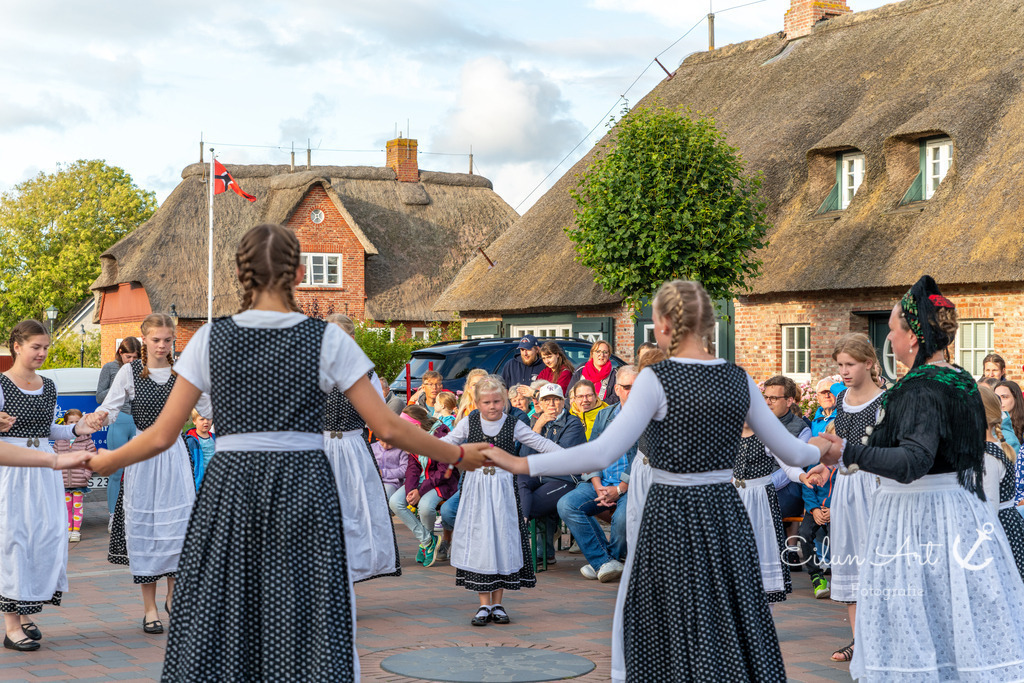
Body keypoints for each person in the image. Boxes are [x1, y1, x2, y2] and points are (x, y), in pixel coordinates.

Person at [88, 223, 489, 681]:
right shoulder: (327, 339)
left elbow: (161, 434)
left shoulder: (209, 339)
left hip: (233, 485)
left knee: (230, 609)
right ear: (299, 271)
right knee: (303, 605)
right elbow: (388, 426)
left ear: (240, 274)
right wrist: (458, 454)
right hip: (302, 482)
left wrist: (104, 460)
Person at [485, 280, 832, 682]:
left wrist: (523, 465)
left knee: (666, 619)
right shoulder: (737, 380)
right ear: (707, 322)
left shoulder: (657, 379)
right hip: (723, 510)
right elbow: (792, 452)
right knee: (725, 616)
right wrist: (822, 447)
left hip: (672, 512)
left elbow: (601, 452)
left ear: (665, 325)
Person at [815, 275, 1024, 681]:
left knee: (914, 613)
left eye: (892, 331)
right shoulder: (962, 378)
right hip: (958, 509)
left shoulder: (920, 387)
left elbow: (914, 461)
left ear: (913, 337)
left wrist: (847, 452)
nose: (889, 340)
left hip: (918, 513)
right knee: (950, 612)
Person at [94, 313, 207, 636]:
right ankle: (149, 609)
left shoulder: (183, 371)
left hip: (173, 455)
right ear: (144, 339)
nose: (161, 345)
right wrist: (92, 422)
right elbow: (110, 408)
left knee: (177, 527)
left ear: (174, 340)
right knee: (145, 529)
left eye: (167, 340)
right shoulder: (129, 372)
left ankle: (174, 595)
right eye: (156, 339)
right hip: (143, 456)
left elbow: (209, 406)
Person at [0, 320, 103, 652]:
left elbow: (50, 432)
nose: (42, 353)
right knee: (14, 537)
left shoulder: (48, 385)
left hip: (44, 469)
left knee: (44, 536)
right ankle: (11, 625)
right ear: (17, 345)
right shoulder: (2, 384)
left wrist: (80, 428)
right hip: (12, 467)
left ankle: (27, 611)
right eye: (36, 347)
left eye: (46, 347)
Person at [442, 375, 561, 627]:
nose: (493, 406)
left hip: (504, 488)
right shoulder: (469, 422)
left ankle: (498, 603)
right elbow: (448, 442)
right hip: (476, 489)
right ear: (477, 402)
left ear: (504, 400)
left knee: (502, 538)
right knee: (481, 539)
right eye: (487, 402)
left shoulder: (513, 424)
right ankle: (483, 604)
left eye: (497, 401)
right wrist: (418, 444)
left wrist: (574, 456)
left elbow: (539, 442)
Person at [820, 332, 884, 663]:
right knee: (848, 559)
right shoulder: (842, 400)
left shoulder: (886, 400)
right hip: (845, 486)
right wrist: (822, 468)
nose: (844, 371)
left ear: (869, 363)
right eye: (840, 365)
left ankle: (881, 639)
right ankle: (859, 641)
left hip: (875, 485)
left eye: (850, 364)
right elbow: (836, 448)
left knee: (876, 560)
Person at [321, 313, 399, 584]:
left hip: (353, 446)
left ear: (351, 339)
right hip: (319, 447)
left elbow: (378, 416)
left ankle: (349, 584)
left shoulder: (365, 373)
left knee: (354, 515)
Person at [558, 368, 639, 583]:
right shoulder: (605, 415)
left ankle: (605, 561)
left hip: (631, 485)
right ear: (617, 389)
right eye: (627, 387)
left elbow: (643, 458)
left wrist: (621, 488)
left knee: (621, 519)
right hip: (601, 481)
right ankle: (605, 561)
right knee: (567, 505)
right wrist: (596, 484)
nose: (633, 391)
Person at [517, 382, 586, 561]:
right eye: (546, 400)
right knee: (520, 479)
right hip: (538, 475)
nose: (551, 405)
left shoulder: (573, 423)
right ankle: (524, 533)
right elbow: (525, 456)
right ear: (540, 403)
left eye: (555, 400)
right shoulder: (536, 420)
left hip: (563, 478)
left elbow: (560, 459)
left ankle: (529, 544)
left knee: (530, 503)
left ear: (563, 402)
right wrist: (538, 426)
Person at [388, 405, 456, 568]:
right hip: (420, 481)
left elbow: (443, 470)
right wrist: (411, 488)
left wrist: (420, 490)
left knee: (425, 506)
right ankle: (427, 541)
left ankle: (425, 544)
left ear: (416, 426)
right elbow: (413, 466)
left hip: (442, 481)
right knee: (395, 502)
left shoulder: (441, 436)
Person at [96, 336, 142, 530]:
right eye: (128, 357)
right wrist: (119, 387)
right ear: (120, 353)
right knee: (116, 471)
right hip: (120, 419)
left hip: (140, 421)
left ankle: (135, 514)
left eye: (136, 357)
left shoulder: (144, 369)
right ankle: (114, 515)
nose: (132, 361)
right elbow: (99, 396)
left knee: (140, 472)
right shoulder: (110, 368)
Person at [980, 385, 1024, 581]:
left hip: (1000, 528)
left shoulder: (988, 456)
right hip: (1007, 523)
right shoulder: (995, 447)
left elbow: (989, 506)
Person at [791, 444, 836, 600]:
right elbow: (808, 487)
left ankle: (840, 578)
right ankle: (817, 578)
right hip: (816, 508)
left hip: (836, 509)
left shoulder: (845, 466)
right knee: (804, 534)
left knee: (836, 537)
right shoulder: (816, 463)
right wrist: (814, 509)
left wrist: (833, 509)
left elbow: (847, 491)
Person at [53, 409, 94, 542]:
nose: (74, 424)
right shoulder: (59, 441)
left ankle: (76, 531)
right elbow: (54, 459)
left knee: (77, 506)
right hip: (63, 482)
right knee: (66, 507)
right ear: (65, 424)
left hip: (79, 481)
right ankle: (68, 530)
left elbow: (92, 460)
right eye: (71, 422)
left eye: (77, 422)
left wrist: (85, 476)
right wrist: (56, 477)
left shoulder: (87, 441)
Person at [570, 339, 619, 406]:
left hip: (602, 411)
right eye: (598, 351)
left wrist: (597, 405)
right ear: (592, 353)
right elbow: (569, 393)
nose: (601, 355)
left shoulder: (614, 374)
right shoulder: (581, 370)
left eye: (605, 352)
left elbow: (616, 397)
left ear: (609, 355)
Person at [183, 409, 215, 489]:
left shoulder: (215, 438)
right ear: (194, 421)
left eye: (208, 419)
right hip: (199, 480)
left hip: (215, 477)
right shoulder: (191, 440)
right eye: (202, 419)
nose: (206, 422)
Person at [996, 380, 1024, 454]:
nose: (999, 401)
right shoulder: (991, 425)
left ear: (1015, 398)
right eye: (996, 397)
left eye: (1004, 397)